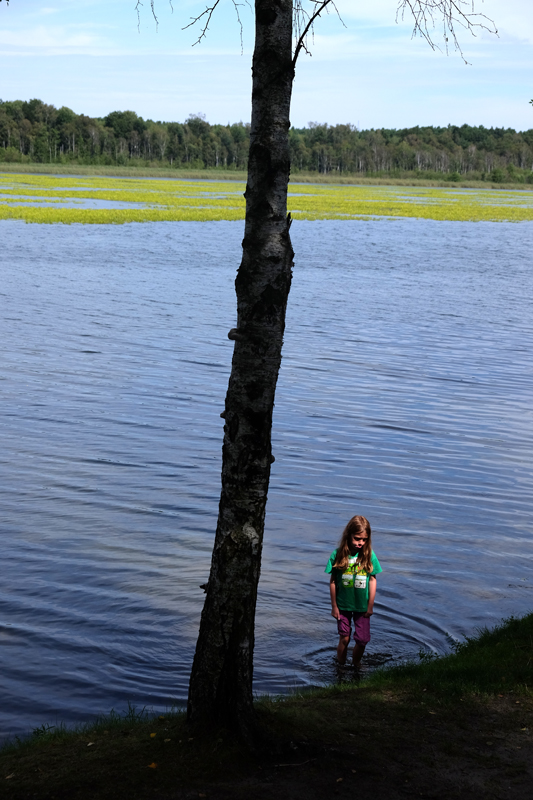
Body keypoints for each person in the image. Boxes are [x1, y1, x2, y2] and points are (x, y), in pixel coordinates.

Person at [325, 515, 382, 668]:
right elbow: (333, 581)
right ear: (348, 535)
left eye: (364, 539)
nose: (360, 543)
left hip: (362, 606)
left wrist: (370, 606)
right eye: (357, 539)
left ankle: (356, 663)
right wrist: (334, 606)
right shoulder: (338, 555)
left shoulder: (369, 555)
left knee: (362, 640)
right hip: (343, 605)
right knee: (344, 638)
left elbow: (372, 579)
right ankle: (341, 666)